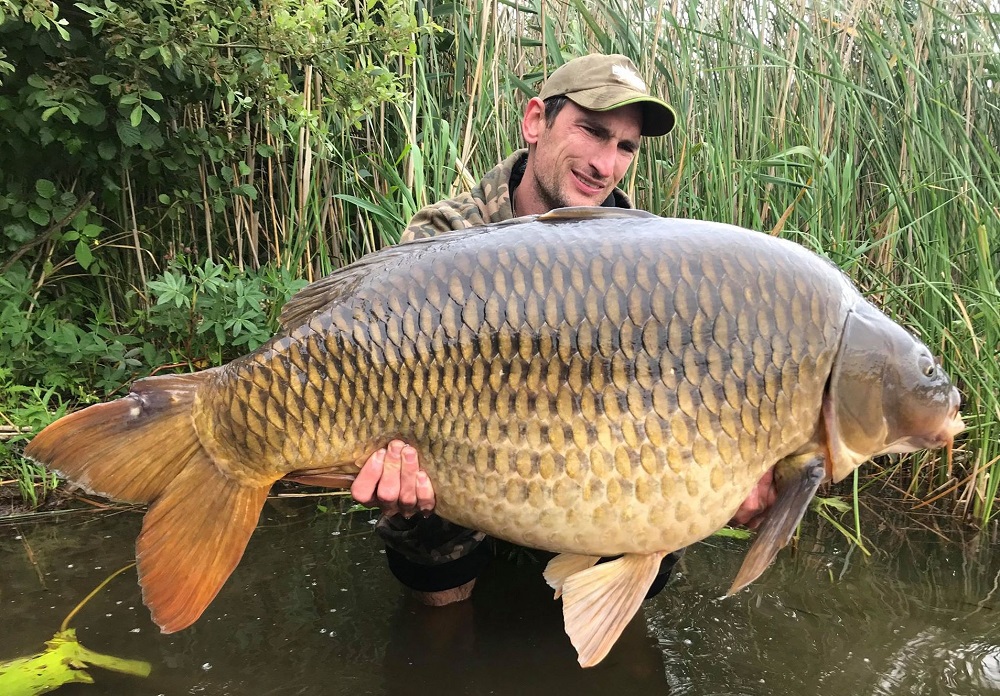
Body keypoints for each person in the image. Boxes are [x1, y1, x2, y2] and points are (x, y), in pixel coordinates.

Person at [350, 53, 777, 607]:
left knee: (656, 528)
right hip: (464, 470)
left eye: (626, 147)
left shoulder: (654, 264)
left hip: (594, 476)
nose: (606, 164)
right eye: (593, 132)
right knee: (433, 565)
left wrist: (727, 481)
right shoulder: (447, 234)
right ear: (535, 122)